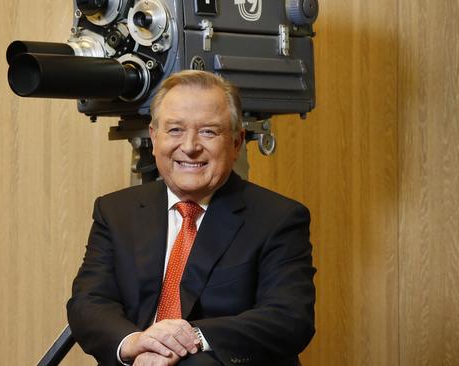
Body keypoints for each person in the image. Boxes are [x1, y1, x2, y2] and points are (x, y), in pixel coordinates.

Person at [67, 70, 316, 366]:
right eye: (174, 130)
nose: (189, 146)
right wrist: (136, 343)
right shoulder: (115, 211)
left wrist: (191, 338)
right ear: (153, 136)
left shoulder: (278, 218)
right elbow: (89, 303)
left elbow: (289, 318)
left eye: (208, 131)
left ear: (236, 142)